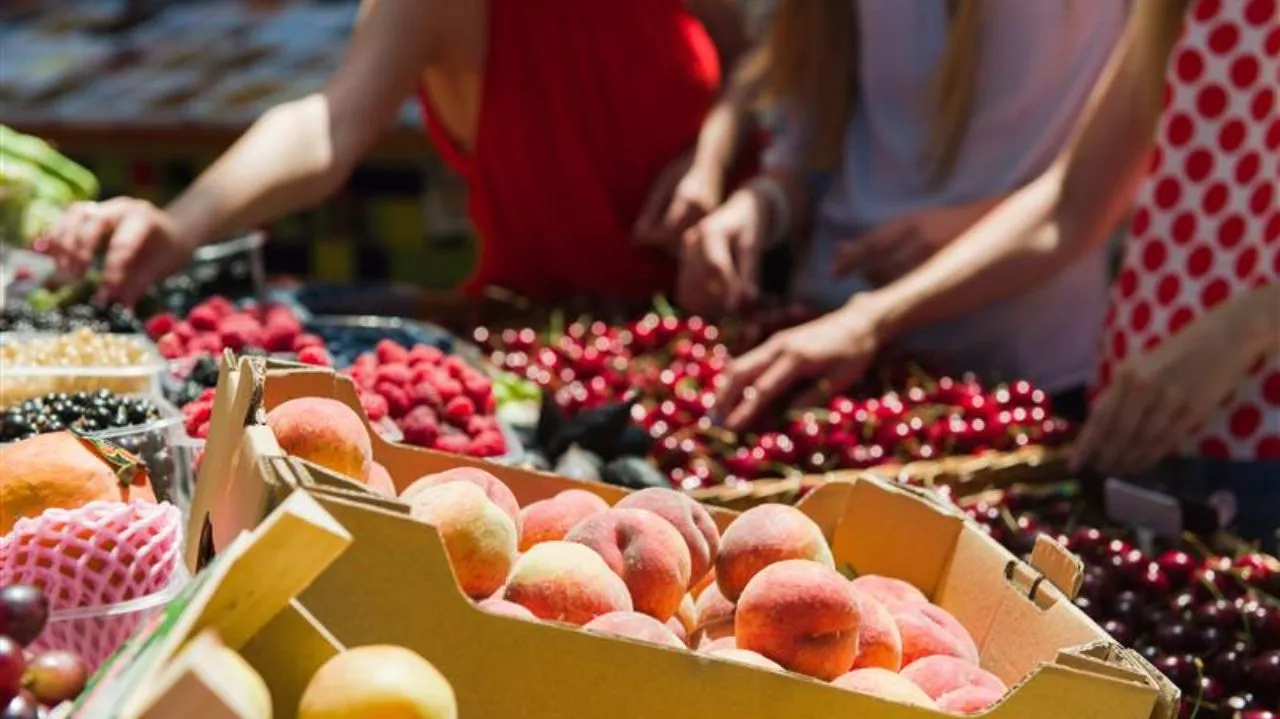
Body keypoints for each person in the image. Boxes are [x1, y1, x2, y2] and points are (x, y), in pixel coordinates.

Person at [36, 0, 752, 305]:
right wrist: (183, 223)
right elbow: (329, 126)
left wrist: (710, 160)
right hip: (557, 338)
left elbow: (749, 59)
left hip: (742, 306)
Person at [681, 0, 1133, 430]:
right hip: (825, 354)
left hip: (1017, 372)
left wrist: (968, 228)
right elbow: (814, 144)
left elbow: (1123, 175)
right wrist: (763, 204)